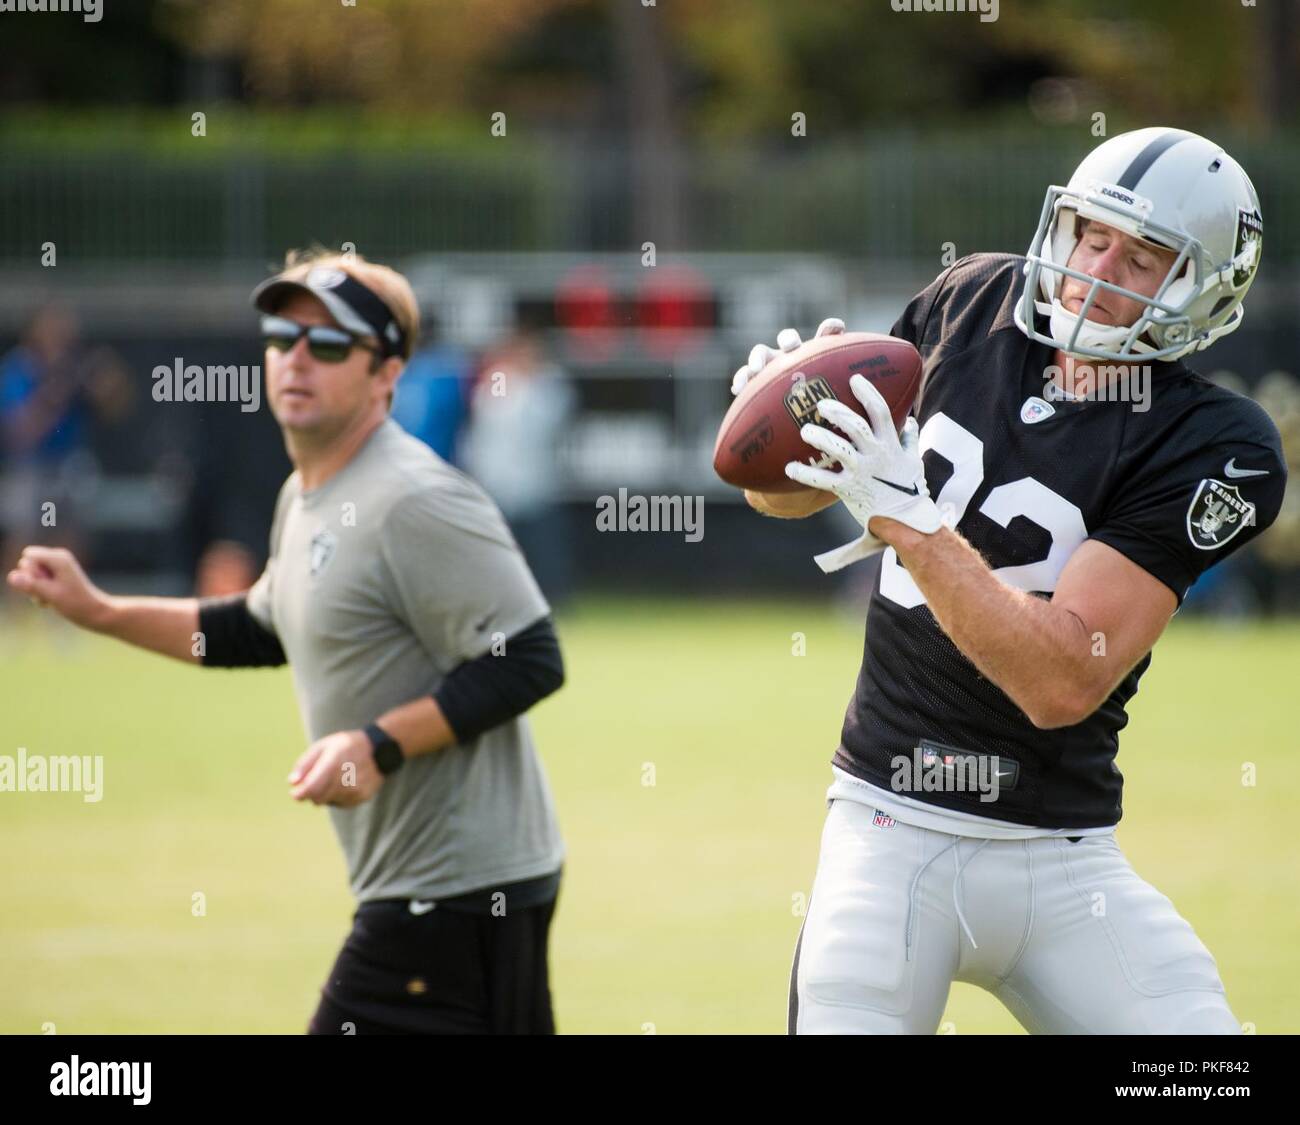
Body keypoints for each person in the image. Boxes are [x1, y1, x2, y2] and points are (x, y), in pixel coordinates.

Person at [733, 127, 1287, 1034]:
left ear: (1202, 289)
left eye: (1144, 258)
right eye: (1090, 233)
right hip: (887, 828)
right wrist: (795, 432)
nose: (1097, 269)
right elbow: (781, 498)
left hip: (1063, 856)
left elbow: (1060, 678)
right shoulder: (971, 300)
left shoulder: (1214, 442)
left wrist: (909, 515)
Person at [7, 249, 568, 1035]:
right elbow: (259, 625)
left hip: (456, 889)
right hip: (447, 885)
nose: (296, 357)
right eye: (282, 336)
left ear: (386, 375)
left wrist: (377, 744)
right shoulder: (306, 493)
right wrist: (99, 609)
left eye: (330, 343)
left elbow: (530, 657)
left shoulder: (414, 496)